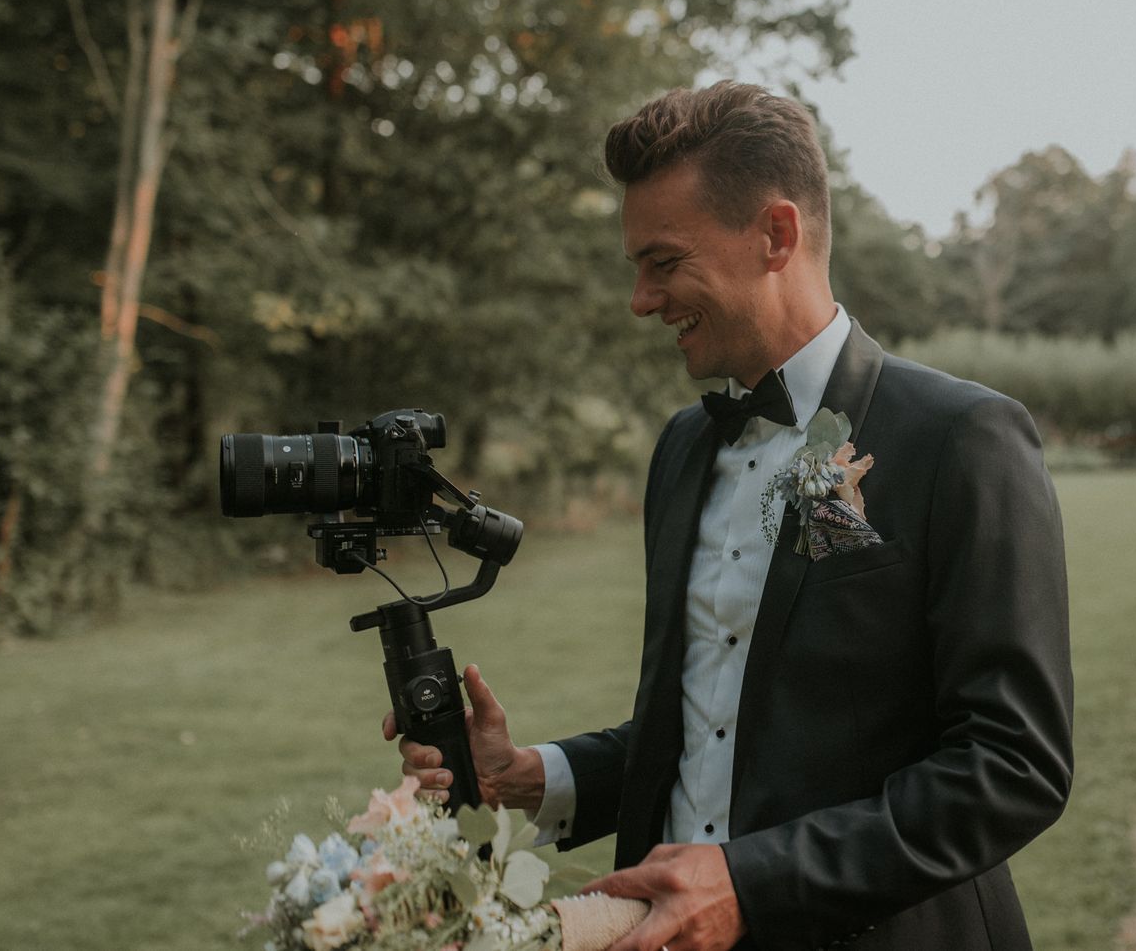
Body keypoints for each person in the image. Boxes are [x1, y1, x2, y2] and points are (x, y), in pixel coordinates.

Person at [383, 82, 1072, 950]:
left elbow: (1013, 766)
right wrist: (533, 775)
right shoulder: (682, 450)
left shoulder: (963, 438)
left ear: (775, 236)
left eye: (663, 262)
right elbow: (709, 721)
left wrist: (751, 883)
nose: (640, 299)